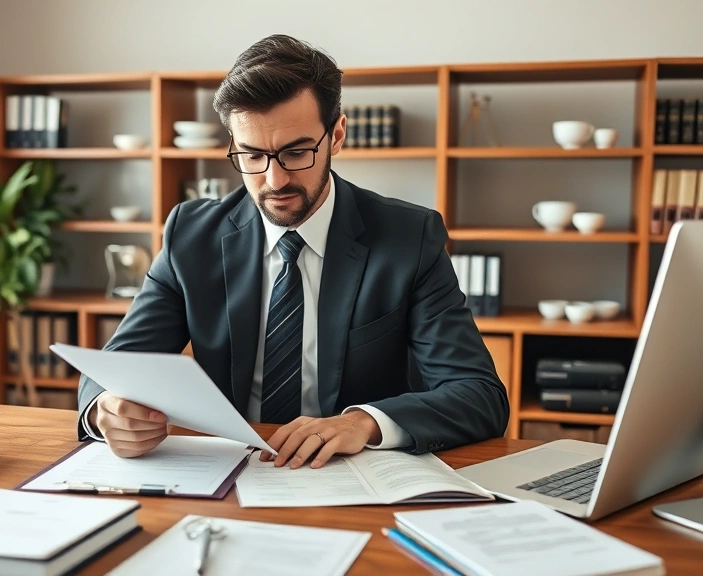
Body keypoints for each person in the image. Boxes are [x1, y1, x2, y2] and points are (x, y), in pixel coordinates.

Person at [77, 34, 509, 469]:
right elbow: (111, 369)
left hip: (354, 474)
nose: (275, 180)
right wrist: (107, 412)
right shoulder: (191, 235)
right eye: (251, 155)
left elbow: (478, 394)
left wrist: (364, 423)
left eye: (297, 152)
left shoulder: (409, 238)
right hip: (229, 473)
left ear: (336, 135)